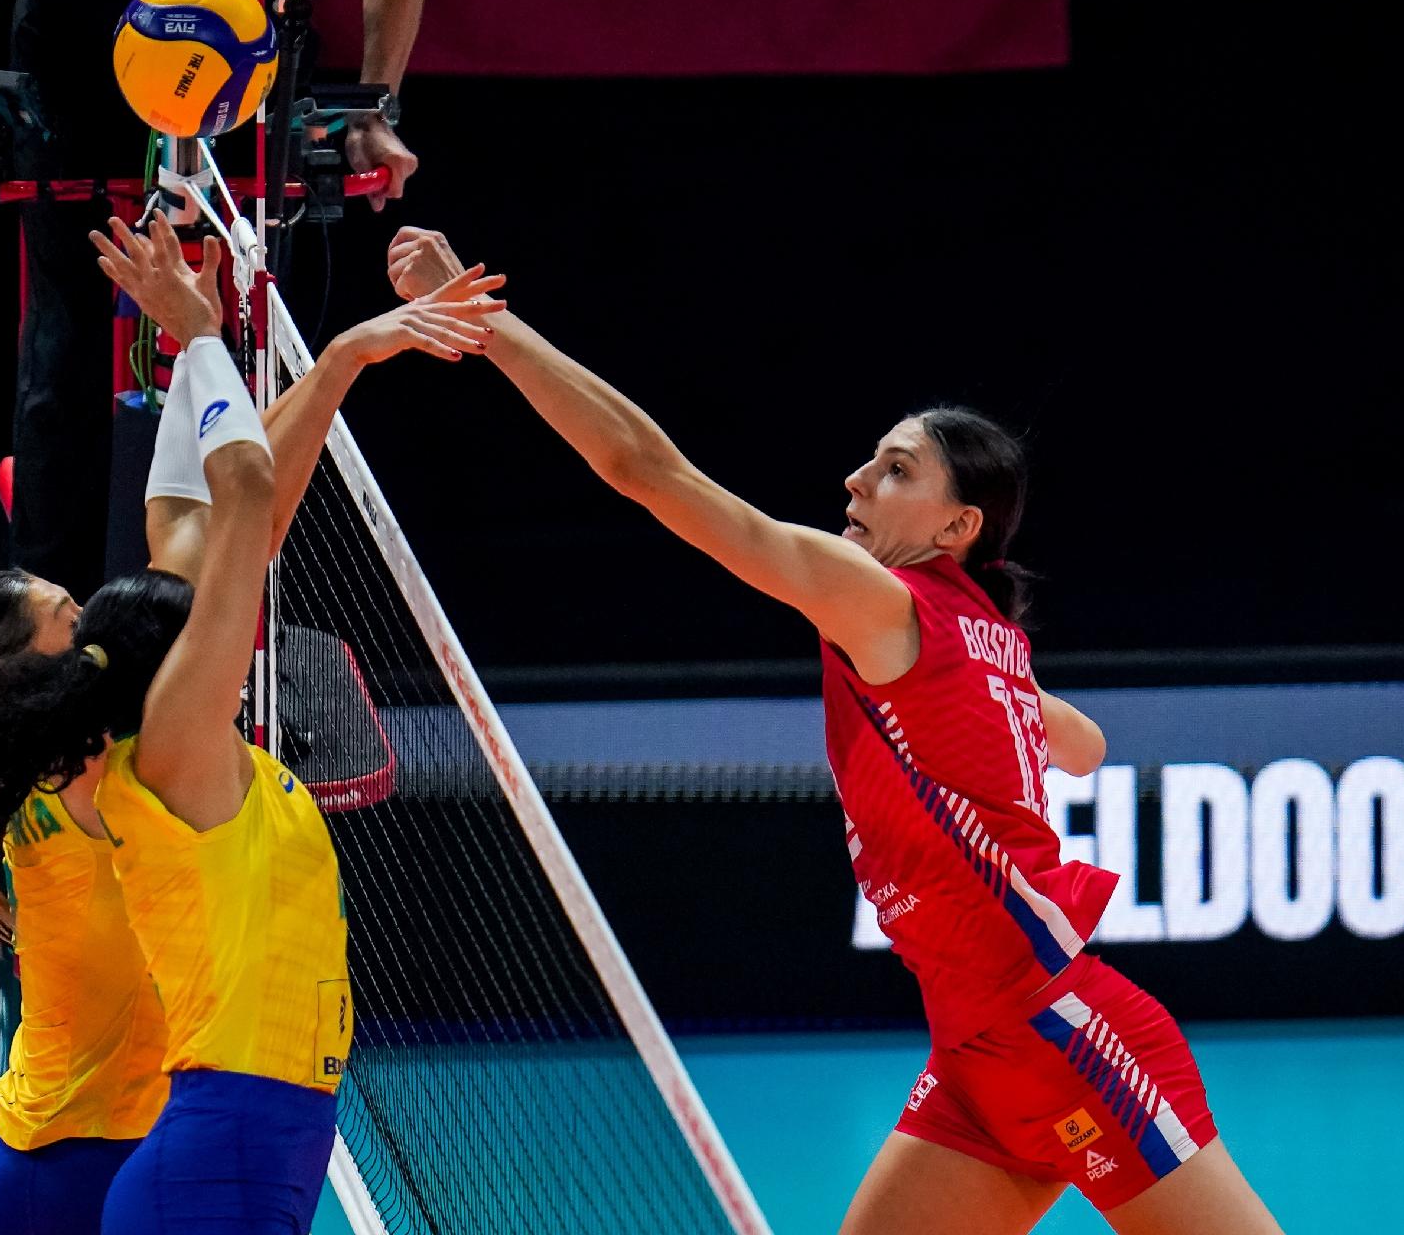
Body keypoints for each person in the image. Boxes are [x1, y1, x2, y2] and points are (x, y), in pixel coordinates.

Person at [385, 228, 1283, 1235]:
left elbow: (647, 468)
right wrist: (1015, 706)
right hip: (974, 1058)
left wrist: (490, 325)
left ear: (958, 528)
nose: (856, 479)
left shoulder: (884, 602)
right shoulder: (985, 635)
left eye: (896, 469)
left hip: (1063, 1036)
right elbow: (1089, 747)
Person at [0, 216, 501, 1233]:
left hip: (79, 1138)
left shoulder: (67, 744)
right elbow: (229, 523)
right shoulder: (97, 768)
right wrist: (205, 340)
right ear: (15, 662)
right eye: (66, 613)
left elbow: (199, 529)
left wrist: (325, 357)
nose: (91, 608)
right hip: (82, 1148)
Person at [0, 0, 429, 599]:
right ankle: (53, 644)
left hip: (246, 68)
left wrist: (375, 106)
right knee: (67, 359)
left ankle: (242, 631)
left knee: (255, 358)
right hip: (78, 70)